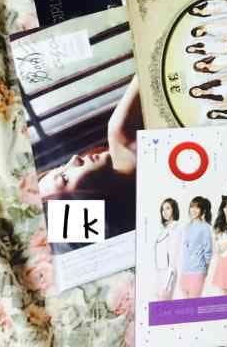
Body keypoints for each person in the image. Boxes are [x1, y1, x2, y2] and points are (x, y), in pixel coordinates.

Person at [38, 76, 142, 246]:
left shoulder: (123, 134)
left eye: (62, 166)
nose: (74, 159)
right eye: (65, 178)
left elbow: (152, 66)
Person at [180, 196, 213, 298]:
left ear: (202, 210)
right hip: (185, 271)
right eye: (192, 207)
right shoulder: (187, 226)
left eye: (197, 207)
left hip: (197, 271)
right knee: (185, 305)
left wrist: (205, 271)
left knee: (193, 304)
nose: (193, 210)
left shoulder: (205, 227)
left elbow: (208, 252)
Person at [154, 198, 181, 300]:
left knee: (165, 301)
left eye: (168, 208)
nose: (164, 211)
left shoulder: (177, 228)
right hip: (160, 273)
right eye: (162, 209)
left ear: (174, 209)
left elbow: (174, 254)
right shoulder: (163, 229)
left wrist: (168, 283)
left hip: (169, 273)